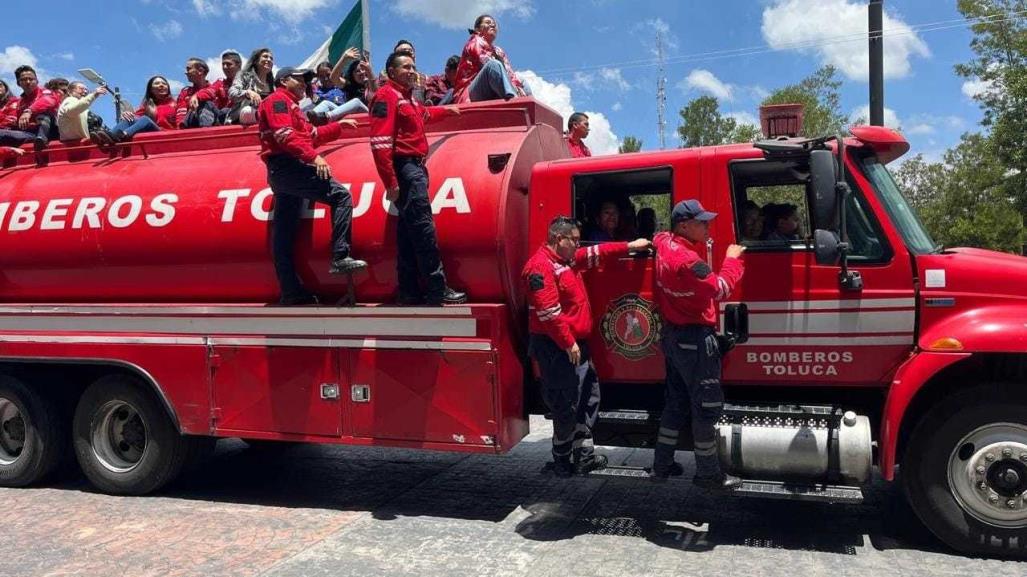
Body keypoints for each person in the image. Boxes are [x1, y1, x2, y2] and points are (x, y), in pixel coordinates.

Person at [523, 216, 651, 476]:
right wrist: (569, 343)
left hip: (575, 346)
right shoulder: (540, 268)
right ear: (559, 239)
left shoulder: (567, 260)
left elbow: (598, 251)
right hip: (556, 348)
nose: (578, 245)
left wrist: (630, 246)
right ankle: (561, 461)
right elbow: (549, 313)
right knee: (565, 405)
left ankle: (584, 456)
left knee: (587, 399)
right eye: (575, 240)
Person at [651, 199, 745, 489]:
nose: (707, 226)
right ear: (683, 225)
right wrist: (733, 258)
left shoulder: (665, 244)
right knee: (705, 407)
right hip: (694, 341)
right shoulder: (689, 262)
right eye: (701, 222)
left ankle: (662, 465)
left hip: (674, 338)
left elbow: (658, 236)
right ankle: (707, 474)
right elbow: (719, 288)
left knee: (676, 404)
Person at [258, 66, 366, 306]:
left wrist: (340, 127)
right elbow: (285, 135)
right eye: (300, 79)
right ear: (284, 81)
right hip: (288, 166)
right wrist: (314, 158)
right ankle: (340, 255)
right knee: (341, 196)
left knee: (284, 236)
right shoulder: (277, 101)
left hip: (282, 171)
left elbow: (312, 134)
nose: (305, 84)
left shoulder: (292, 107)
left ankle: (290, 291)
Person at [369, 51, 466, 306]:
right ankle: (437, 288)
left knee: (408, 233)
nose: (412, 71)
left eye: (413, 66)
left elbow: (425, 115)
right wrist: (390, 181)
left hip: (416, 168)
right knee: (423, 229)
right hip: (406, 169)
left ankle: (409, 291)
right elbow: (379, 143)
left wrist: (447, 111)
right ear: (391, 72)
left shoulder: (408, 99)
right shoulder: (386, 96)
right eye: (405, 67)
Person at [453, 14, 530, 103]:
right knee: (493, 65)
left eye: (494, 24)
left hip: (491, 90)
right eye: (487, 22)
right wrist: (513, 87)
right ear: (477, 29)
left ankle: (532, 109)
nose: (492, 25)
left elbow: (510, 72)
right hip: (471, 93)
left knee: (521, 80)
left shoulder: (499, 50)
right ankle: (514, 102)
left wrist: (517, 86)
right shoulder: (475, 42)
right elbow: (485, 62)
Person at [0, 66, 61, 151]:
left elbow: (48, 101)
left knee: (44, 113)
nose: (28, 82)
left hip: (51, 133)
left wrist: (29, 111)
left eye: (31, 79)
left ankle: (41, 139)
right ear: (18, 83)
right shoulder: (20, 102)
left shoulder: (46, 92)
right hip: (29, 134)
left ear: (37, 81)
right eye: (24, 79)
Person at [306, 57, 369, 125]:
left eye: (328, 75)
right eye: (321, 76)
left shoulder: (341, 87)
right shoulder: (318, 92)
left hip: (362, 115)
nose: (326, 78)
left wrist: (369, 71)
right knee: (325, 103)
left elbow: (335, 76)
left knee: (356, 101)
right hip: (340, 117)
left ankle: (327, 117)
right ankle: (305, 125)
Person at [195, 50, 242, 124]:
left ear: (238, 66)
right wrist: (196, 96)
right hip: (222, 119)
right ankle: (205, 132)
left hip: (241, 118)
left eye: (228, 64)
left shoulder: (248, 81)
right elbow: (210, 91)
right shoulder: (220, 83)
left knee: (226, 110)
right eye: (223, 64)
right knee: (206, 104)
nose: (225, 67)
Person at [231, 47, 275, 125]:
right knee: (248, 111)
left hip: (268, 117)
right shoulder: (243, 76)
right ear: (255, 60)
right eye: (265, 56)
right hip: (246, 117)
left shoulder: (273, 84)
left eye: (271, 58)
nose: (269, 60)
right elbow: (232, 93)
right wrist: (247, 93)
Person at [175, 58, 220, 129]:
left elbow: (210, 92)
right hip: (190, 126)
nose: (186, 72)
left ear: (200, 71)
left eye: (188, 69)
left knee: (206, 103)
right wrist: (180, 130)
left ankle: (205, 130)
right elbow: (181, 113)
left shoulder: (215, 86)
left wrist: (196, 96)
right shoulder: (185, 92)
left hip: (215, 125)